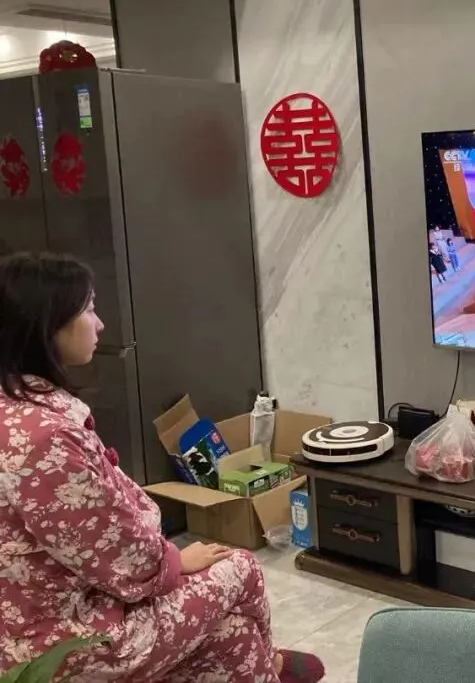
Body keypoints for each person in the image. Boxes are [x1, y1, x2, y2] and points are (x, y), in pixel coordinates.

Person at [0, 252, 324, 682]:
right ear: (48, 325)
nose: (100, 324)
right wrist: (173, 561)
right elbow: (124, 557)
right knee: (241, 567)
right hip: (69, 642)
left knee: (232, 634)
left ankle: (266, 664)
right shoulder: (47, 440)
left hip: (41, 618)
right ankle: (274, 666)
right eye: (90, 309)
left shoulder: (16, 411)